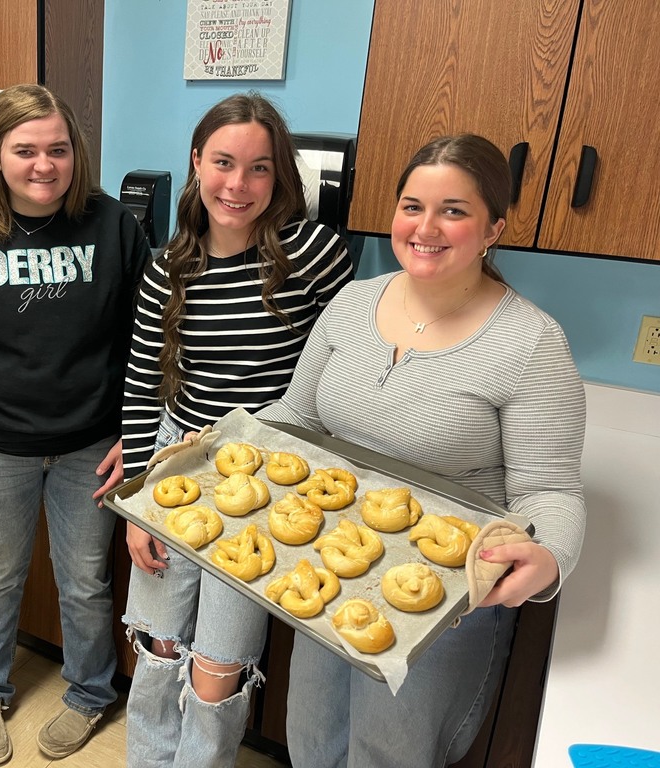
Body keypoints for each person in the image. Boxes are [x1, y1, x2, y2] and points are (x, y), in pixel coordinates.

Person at [206, 133, 584, 767]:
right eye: (412, 206)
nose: (426, 227)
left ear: (493, 226)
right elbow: (295, 417)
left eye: (454, 211)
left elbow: (551, 491)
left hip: (442, 597)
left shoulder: (531, 343)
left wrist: (549, 558)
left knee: (392, 754)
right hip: (328, 563)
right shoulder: (353, 304)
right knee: (313, 740)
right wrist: (221, 438)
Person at [121, 92, 354, 767]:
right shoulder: (169, 267)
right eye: (223, 162)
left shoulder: (313, 255)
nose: (238, 185)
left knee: (218, 662)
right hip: (177, 467)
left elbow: (342, 367)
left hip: (266, 483)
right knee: (160, 644)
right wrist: (138, 504)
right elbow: (142, 385)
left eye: (259, 168)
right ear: (197, 163)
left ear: (281, 175)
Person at [0, 83, 152, 766]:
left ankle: (90, 692)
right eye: (25, 150)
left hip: (91, 445)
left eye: (57, 149)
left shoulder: (114, 228)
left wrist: (134, 440)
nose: (44, 165)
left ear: (75, 153)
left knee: (85, 580)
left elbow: (146, 341)